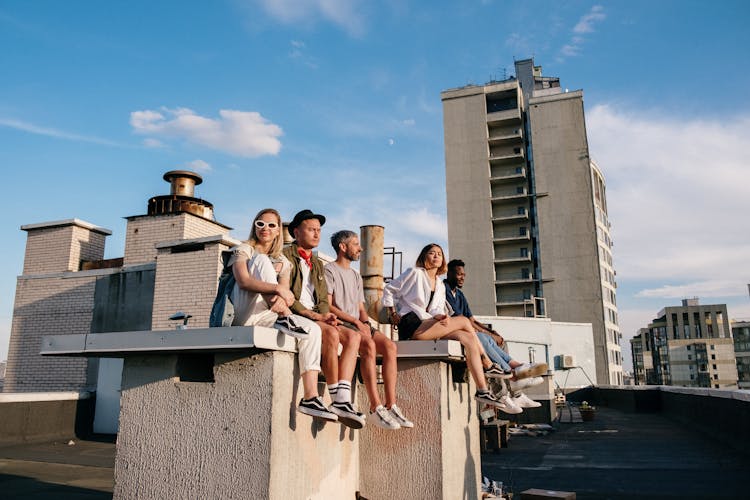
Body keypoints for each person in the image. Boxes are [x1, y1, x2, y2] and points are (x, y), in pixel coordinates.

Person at [229, 208, 337, 422]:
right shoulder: (243, 249)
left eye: (271, 225)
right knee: (261, 261)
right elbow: (244, 281)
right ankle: (285, 318)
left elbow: (287, 295)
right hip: (243, 310)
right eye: (260, 224)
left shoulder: (283, 261)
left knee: (313, 330)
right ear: (254, 226)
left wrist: (282, 295)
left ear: (279, 230)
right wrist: (278, 290)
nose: (265, 229)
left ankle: (310, 396)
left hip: (269, 314)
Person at [381, 243, 508, 409]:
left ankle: (482, 390)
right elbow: (390, 289)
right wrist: (392, 312)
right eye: (432, 253)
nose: (436, 256)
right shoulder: (415, 273)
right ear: (424, 256)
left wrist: (440, 315)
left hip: (429, 325)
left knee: (468, 337)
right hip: (412, 325)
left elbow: (434, 309)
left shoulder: (440, 285)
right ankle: (488, 363)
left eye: (439, 254)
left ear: (443, 260)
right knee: (463, 320)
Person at [282, 210, 366, 429]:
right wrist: (314, 315)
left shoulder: (317, 263)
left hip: (317, 315)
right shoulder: (285, 256)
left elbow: (321, 299)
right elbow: (286, 296)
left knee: (353, 337)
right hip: (297, 314)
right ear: (296, 232)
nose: (317, 234)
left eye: (319, 230)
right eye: (311, 229)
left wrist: (325, 314)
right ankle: (333, 396)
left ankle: (342, 399)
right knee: (328, 333)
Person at [325, 230, 414, 430]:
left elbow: (361, 309)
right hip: (341, 323)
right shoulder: (329, 270)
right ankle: (375, 406)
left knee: (390, 346)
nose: (361, 248)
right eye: (356, 244)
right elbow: (328, 306)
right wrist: (356, 324)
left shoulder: (356, 276)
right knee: (369, 347)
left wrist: (364, 323)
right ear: (343, 246)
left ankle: (391, 405)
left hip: (357, 322)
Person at [444, 259, 547, 411]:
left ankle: (516, 390)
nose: (462, 277)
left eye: (464, 275)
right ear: (449, 273)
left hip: (467, 330)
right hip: (452, 332)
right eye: (459, 274)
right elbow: (461, 321)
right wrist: (486, 334)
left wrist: (492, 333)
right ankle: (511, 379)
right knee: (481, 339)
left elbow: (472, 320)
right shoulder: (443, 289)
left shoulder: (459, 294)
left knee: (500, 342)